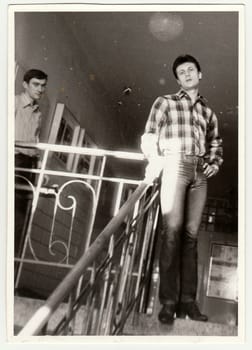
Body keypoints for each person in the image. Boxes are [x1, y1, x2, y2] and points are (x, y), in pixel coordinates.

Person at [141, 54, 223, 325]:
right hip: (174, 165)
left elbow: (215, 143)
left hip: (200, 173)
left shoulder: (208, 112)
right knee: (172, 232)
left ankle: (189, 303)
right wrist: (156, 161)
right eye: (181, 72)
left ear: (200, 75)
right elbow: (150, 135)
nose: (187, 74)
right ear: (177, 79)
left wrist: (214, 163)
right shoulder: (164, 102)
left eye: (191, 70)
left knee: (190, 236)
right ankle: (167, 303)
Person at [15, 69, 48, 257]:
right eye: (36, 84)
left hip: (29, 165)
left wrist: (39, 165)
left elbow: (34, 141)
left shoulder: (38, 112)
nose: (40, 89)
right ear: (25, 84)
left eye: (43, 86)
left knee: (22, 215)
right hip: (14, 160)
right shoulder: (12, 103)